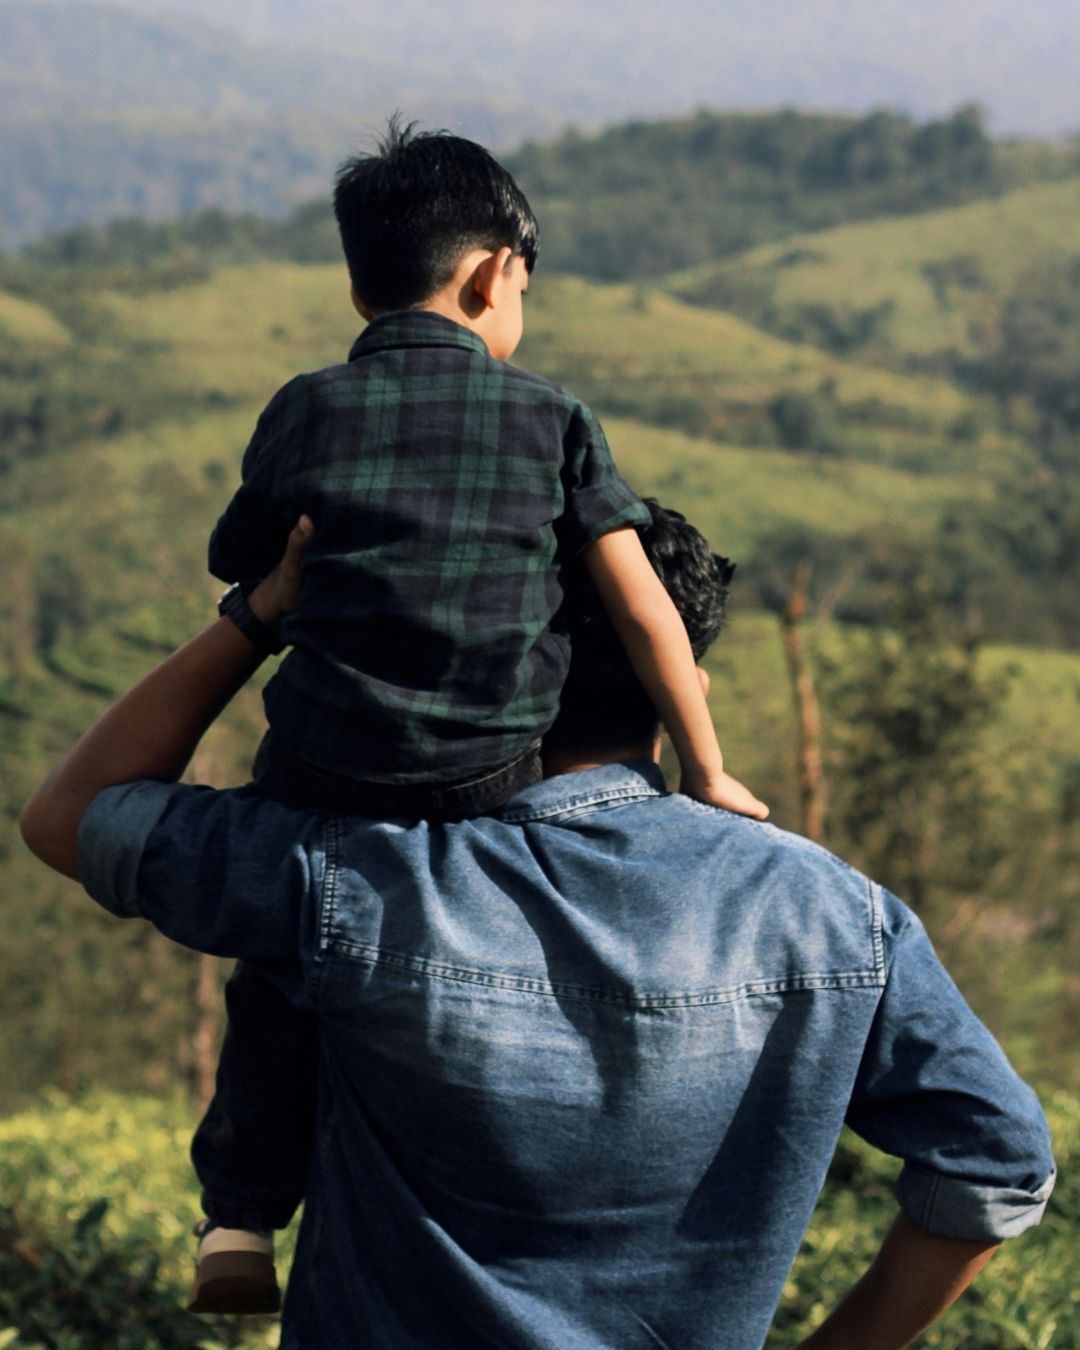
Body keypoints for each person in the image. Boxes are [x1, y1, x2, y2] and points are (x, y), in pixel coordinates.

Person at [21, 505, 1054, 1350]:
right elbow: (997, 1161)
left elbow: (70, 817)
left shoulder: (362, 877)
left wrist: (257, 613)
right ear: (680, 679)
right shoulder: (837, 917)